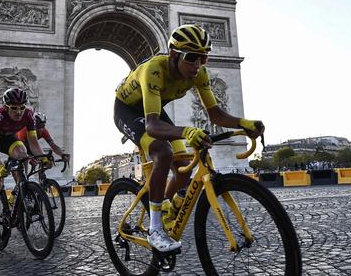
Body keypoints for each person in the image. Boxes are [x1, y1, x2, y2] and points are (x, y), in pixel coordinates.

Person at [113, 24, 265, 253]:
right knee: (163, 153)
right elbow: (153, 126)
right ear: (174, 55)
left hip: (153, 109)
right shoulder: (153, 70)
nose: (197, 65)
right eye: (192, 57)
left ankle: (165, 206)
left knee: (183, 169)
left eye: (203, 58)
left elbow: (216, 114)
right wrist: (187, 132)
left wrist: (243, 123)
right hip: (128, 110)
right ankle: (155, 229)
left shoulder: (199, 74)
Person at [0, 87, 44, 248]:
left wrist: (43, 158)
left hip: (8, 138)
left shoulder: (29, 114)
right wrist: (1, 166)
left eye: (22, 107)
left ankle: (21, 188)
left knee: (23, 152)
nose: (19, 111)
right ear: (6, 106)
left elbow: (33, 143)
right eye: (14, 108)